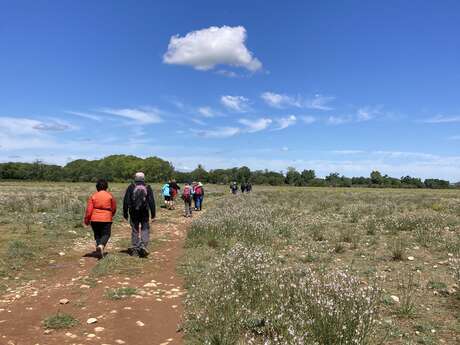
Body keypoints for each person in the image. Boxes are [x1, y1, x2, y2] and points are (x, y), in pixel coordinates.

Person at [123, 172, 156, 258]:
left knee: (135, 230)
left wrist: (125, 213)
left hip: (133, 212)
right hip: (144, 212)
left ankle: (135, 249)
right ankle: (143, 246)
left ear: (135, 178)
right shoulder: (148, 187)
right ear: (143, 178)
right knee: (145, 229)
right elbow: (151, 201)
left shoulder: (131, 187)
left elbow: (126, 201)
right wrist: (153, 214)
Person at [84, 179, 117, 259]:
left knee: (97, 235)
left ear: (97, 187)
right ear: (106, 187)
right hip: (106, 218)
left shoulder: (94, 196)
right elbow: (114, 208)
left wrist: (87, 220)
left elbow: (89, 210)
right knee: (106, 234)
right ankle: (101, 246)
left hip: (94, 219)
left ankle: (99, 248)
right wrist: (111, 214)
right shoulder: (110, 196)